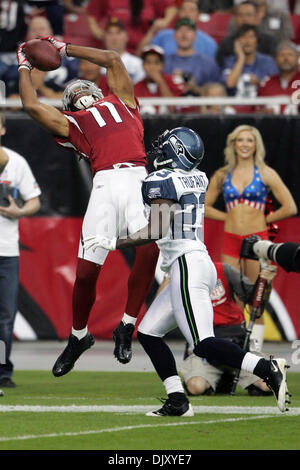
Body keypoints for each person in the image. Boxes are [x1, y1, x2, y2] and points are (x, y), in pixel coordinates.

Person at [83, 126, 290, 416]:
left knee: (203, 344)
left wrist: (111, 242)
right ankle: (177, 400)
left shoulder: (163, 180)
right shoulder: (198, 176)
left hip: (186, 264)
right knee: (148, 333)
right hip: (196, 261)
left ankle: (265, 367)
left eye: (167, 144)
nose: (160, 148)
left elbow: (155, 229)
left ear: (176, 151)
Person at [17, 36, 159, 373]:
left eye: (84, 86)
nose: (78, 90)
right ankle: (78, 335)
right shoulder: (72, 124)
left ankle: (127, 324)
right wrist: (24, 65)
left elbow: (111, 57)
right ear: (67, 104)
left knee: (150, 248)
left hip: (138, 176)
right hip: (105, 184)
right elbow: (31, 106)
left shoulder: (123, 100)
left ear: (98, 91)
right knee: (85, 271)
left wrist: (64, 48)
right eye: (72, 91)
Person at [204, 124, 297, 350]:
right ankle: (237, 349)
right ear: (233, 144)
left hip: (257, 242)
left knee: (257, 298)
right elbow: (204, 206)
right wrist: (228, 217)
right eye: (240, 140)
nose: (245, 144)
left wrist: (263, 219)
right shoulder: (222, 174)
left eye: (249, 140)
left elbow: (290, 206)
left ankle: (255, 350)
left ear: (256, 146)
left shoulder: (266, 173)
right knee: (233, 297)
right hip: (231, 240)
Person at [180, 261, 276, 396]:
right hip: (204, 346)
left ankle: (230, 375)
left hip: (235, 341)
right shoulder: (180, 274)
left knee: (267, 386)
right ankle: (223, 378)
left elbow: (253, 297)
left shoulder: (224, 269)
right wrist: (168, 280)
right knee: (196, 387)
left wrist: (266, 284)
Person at [0, 112, 41, 388]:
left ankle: (3, 370)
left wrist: (20, 211)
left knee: (5, 315)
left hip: (6, 249)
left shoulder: (16, 162)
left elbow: (35, 200)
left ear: (2, 130)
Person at [85, 0, 178, 55]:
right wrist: (95, 29)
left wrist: (165, 21)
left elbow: (171, 7)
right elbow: (92, 10)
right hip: (116, 49)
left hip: (143, 49)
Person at [137, 0, 218, 58]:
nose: (187, 13)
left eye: (191, 10)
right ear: (178, 13)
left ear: (198, 15)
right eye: (183, 9)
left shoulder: (208, 42)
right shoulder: (163, 36)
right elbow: (140, 54)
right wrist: (152, 31)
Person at [221, 24, 279, 99]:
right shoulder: (229, 61)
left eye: (251, 37)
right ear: (236, 42)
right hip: (235, 106)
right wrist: (241, 58)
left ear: (257, 41)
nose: (247, 41)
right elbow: (230, 84)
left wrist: (259, 84)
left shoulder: (268, 61)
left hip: (260, 106)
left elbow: (275, 89)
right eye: (243, 37)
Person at [163, 18, 220, 92]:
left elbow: (217, 94)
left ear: (195, 35)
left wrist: (194, 88)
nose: (184, 34)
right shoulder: (164, 63)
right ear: (174, 35)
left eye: (188, 30)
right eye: (180, 30)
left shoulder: (208, 63)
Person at [216, 1, 279, 68]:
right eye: (240, 15)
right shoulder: (226, 43)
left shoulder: (269, 42)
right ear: (235, 18)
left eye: (248, 15)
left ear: (257, 17)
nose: (244, 19)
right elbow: (220, 69)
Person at [134, 45, 184, 115]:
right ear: (143, 65)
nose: (152, 67)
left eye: (156, 63)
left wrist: (160, 82)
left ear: (162, 65)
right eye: (148, 62)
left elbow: (173, 108)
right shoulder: (136, 87)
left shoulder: (173, 81)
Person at [257, 41, 300, 115]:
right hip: (271, 124)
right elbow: (257, 109)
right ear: (275, 59)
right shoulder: (267, 83)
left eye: (290, 54)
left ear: (297, 58)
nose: (286, 58)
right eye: (282, 55)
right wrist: (265, 112)